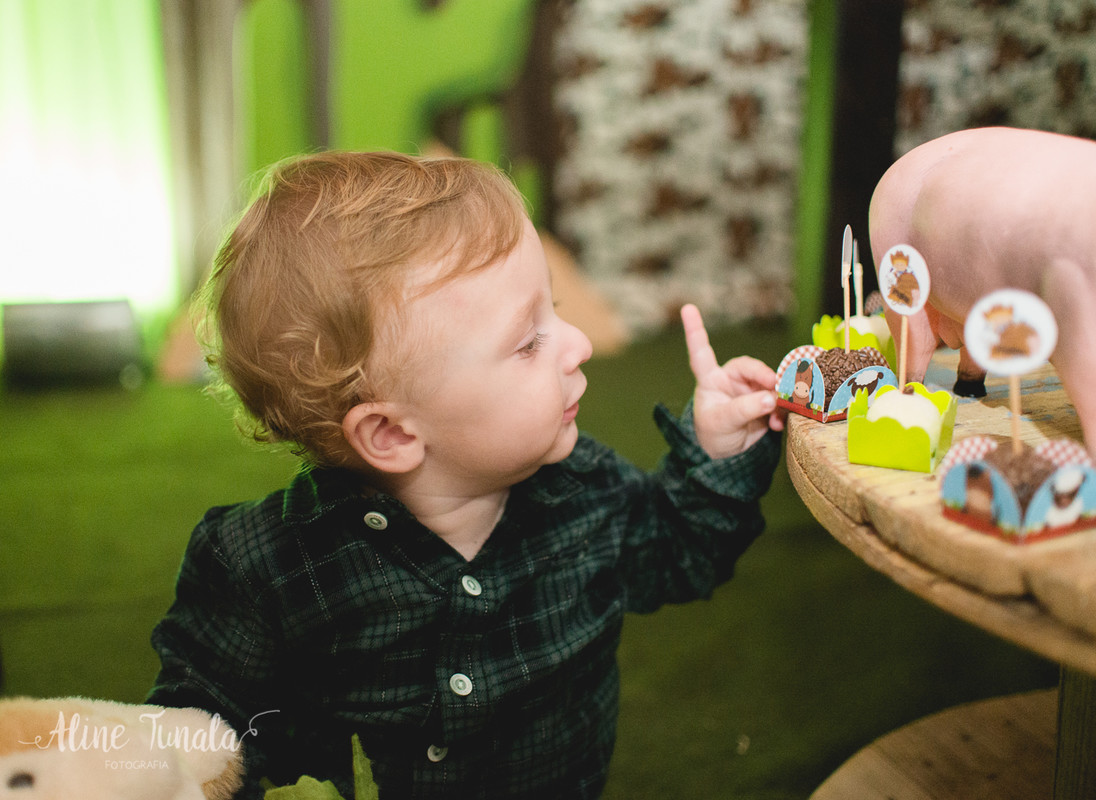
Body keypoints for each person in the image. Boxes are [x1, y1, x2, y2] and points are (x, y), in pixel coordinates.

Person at [148, 151, 785, 799]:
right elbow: (193, 743)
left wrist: (718, 451)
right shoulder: (265, 573)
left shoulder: (584, 488)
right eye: (528, 342)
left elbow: (676, 551)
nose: (579, 345)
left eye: (555, 308)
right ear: (393, 434)